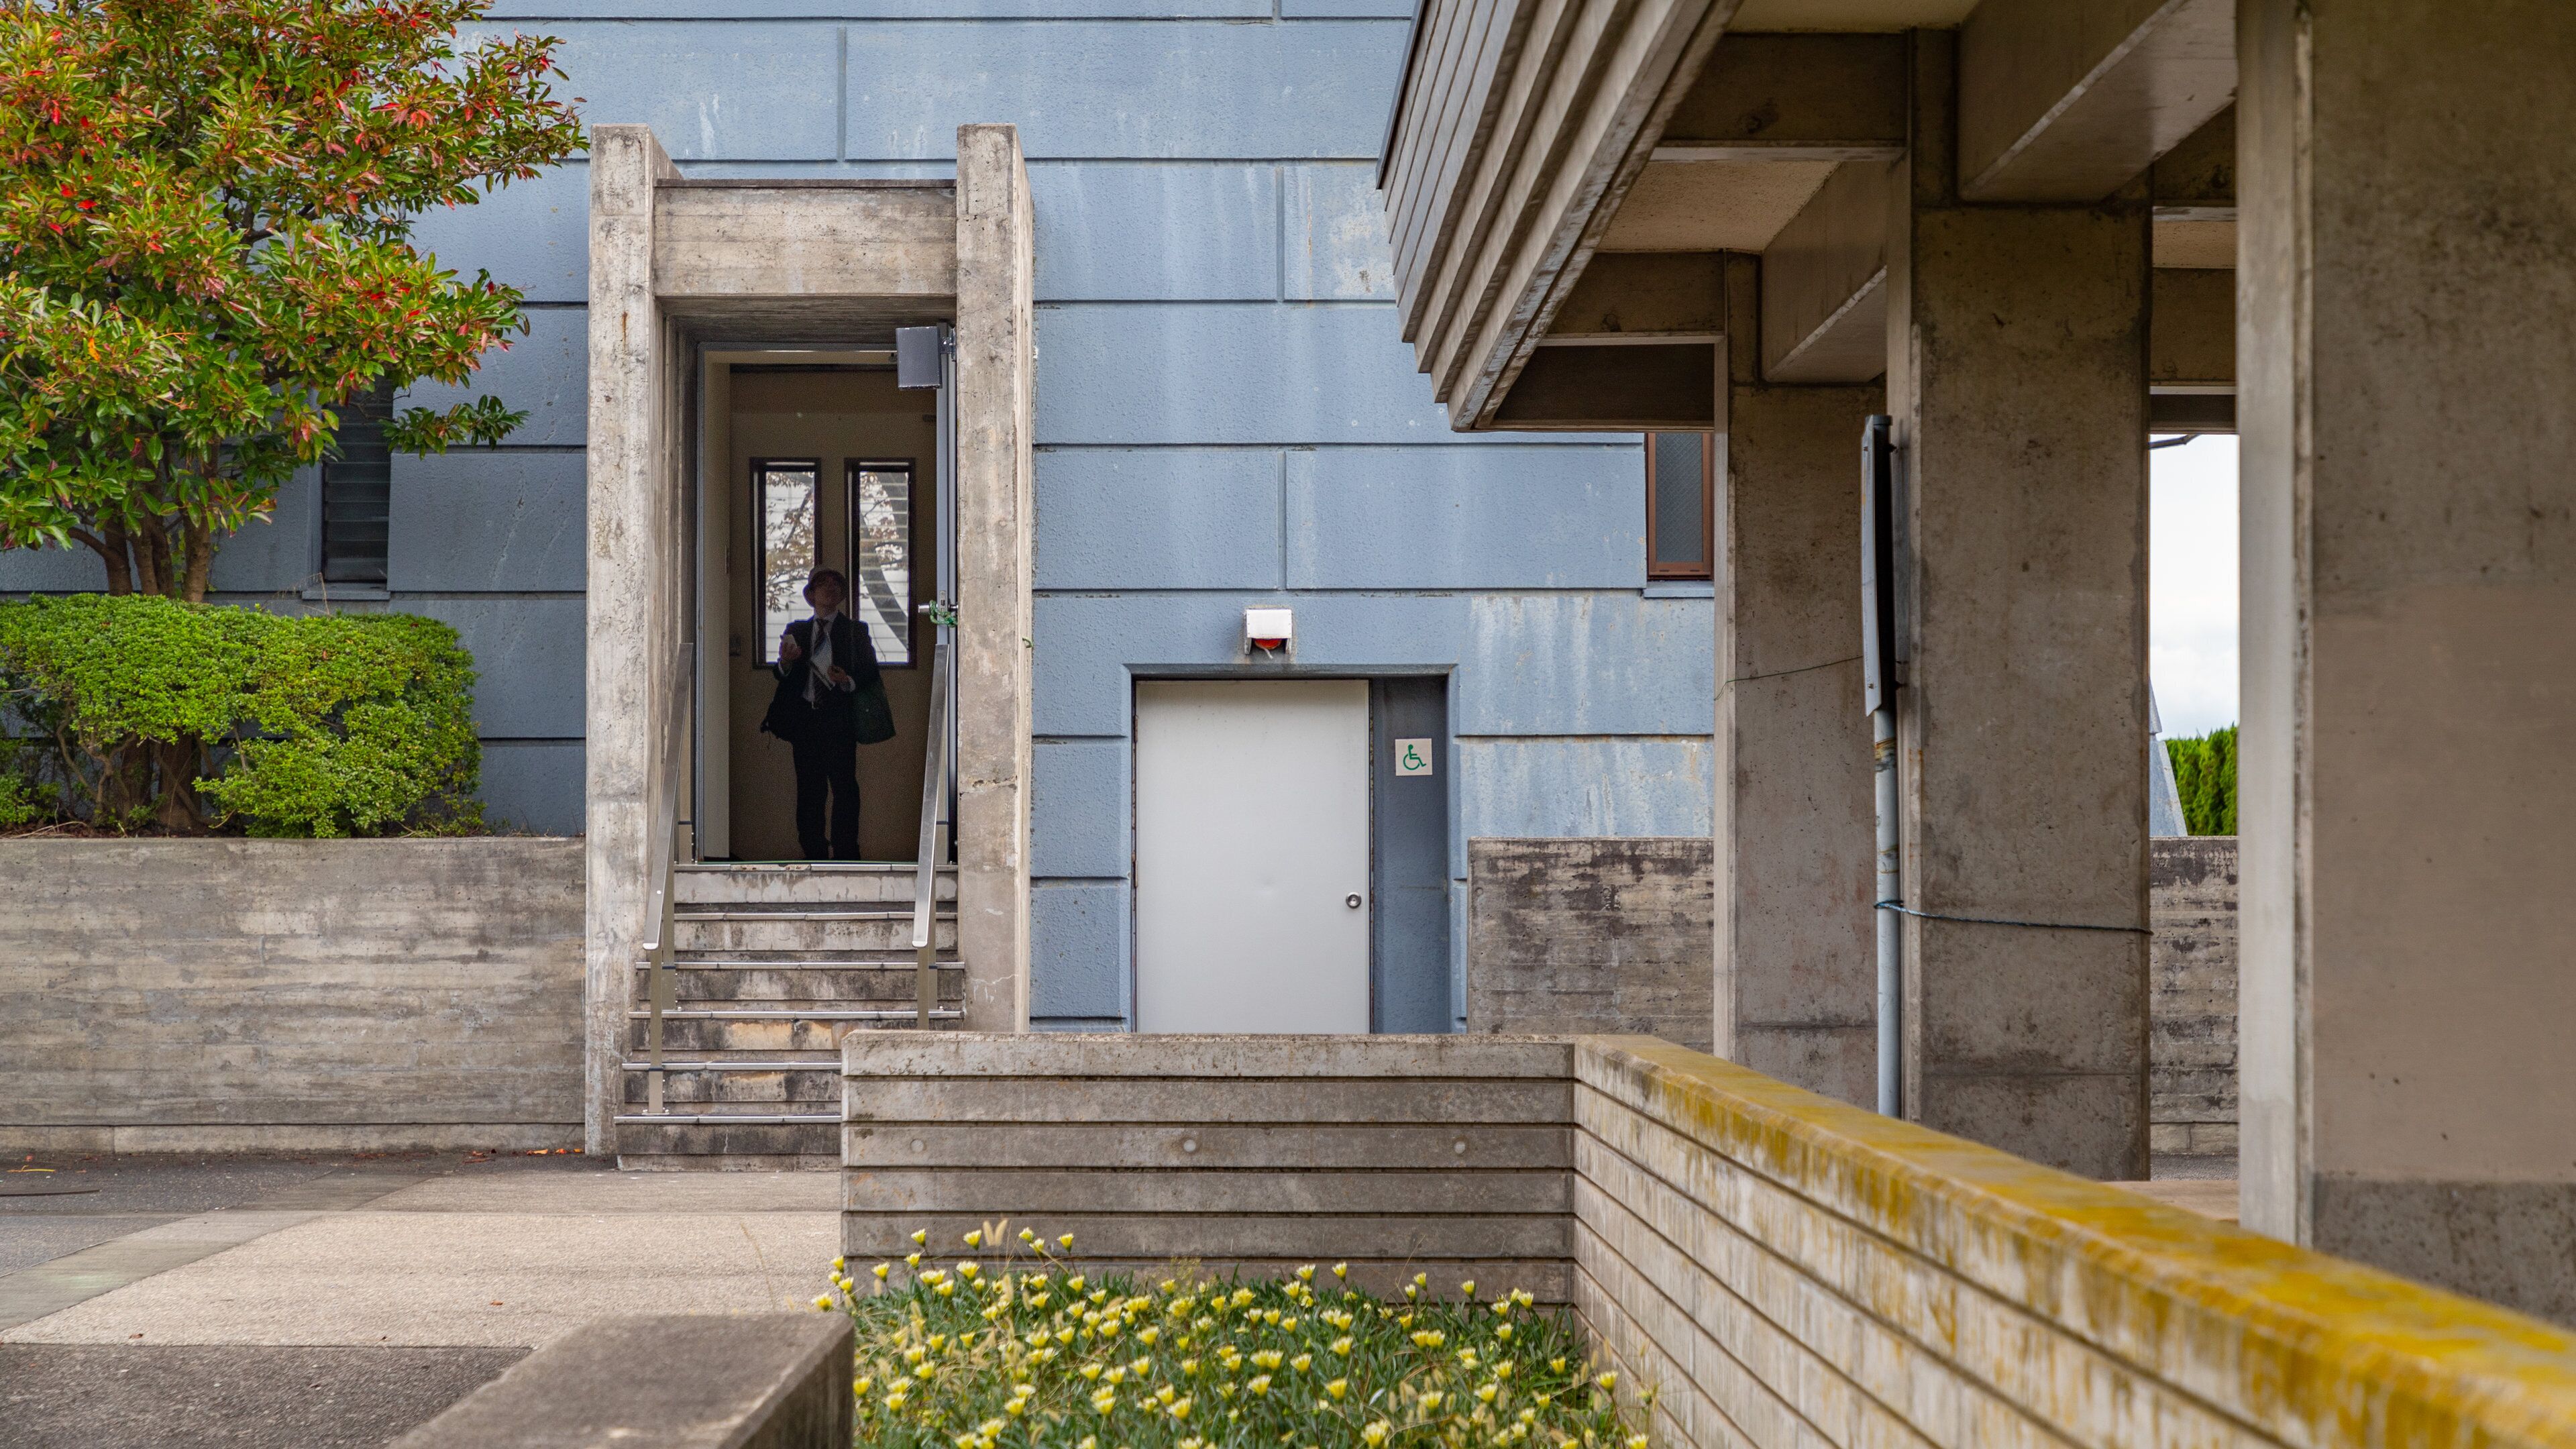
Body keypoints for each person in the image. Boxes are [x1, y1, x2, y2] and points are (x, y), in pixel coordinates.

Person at [763, 568, 880, 859]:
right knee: (809, 790)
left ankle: (846, 853)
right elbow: (781, 674)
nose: (829, 588)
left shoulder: (856, 630)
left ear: (842, 595)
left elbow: (870, 672)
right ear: (811, 595)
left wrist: (847, 681)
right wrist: (786, 664)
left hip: (840, 721)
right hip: (806, 721)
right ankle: (813, 851)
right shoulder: (797, 630)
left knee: (845, 789)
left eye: (835, 585)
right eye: (822, 584)